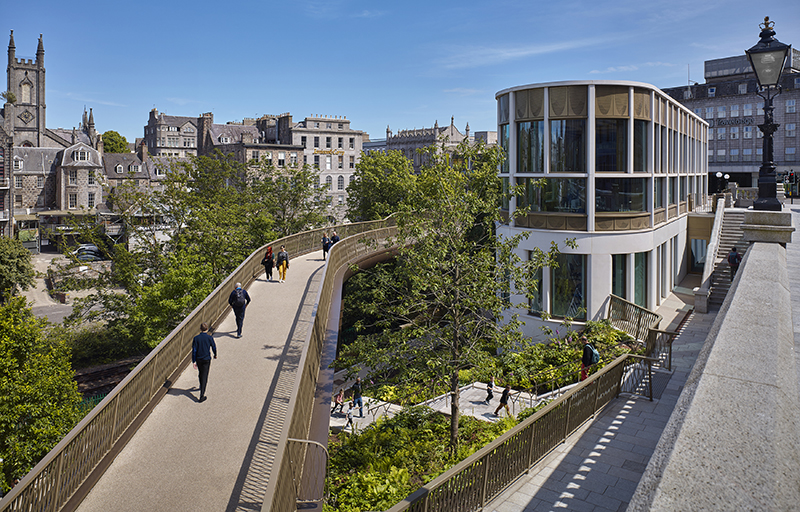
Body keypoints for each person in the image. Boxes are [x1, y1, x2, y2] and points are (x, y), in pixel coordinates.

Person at [192, 322, 217, 403]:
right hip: (206, 359)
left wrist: (194, 360)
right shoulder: (209, 337)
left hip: (199, 359)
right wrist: (215, 354)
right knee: (205, 375)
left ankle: (201, 385)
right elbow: (213, 346)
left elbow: (194, 350)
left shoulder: (196, 338)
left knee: (200, 373)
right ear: (207, 329)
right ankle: (202, 395)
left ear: (200, 329)